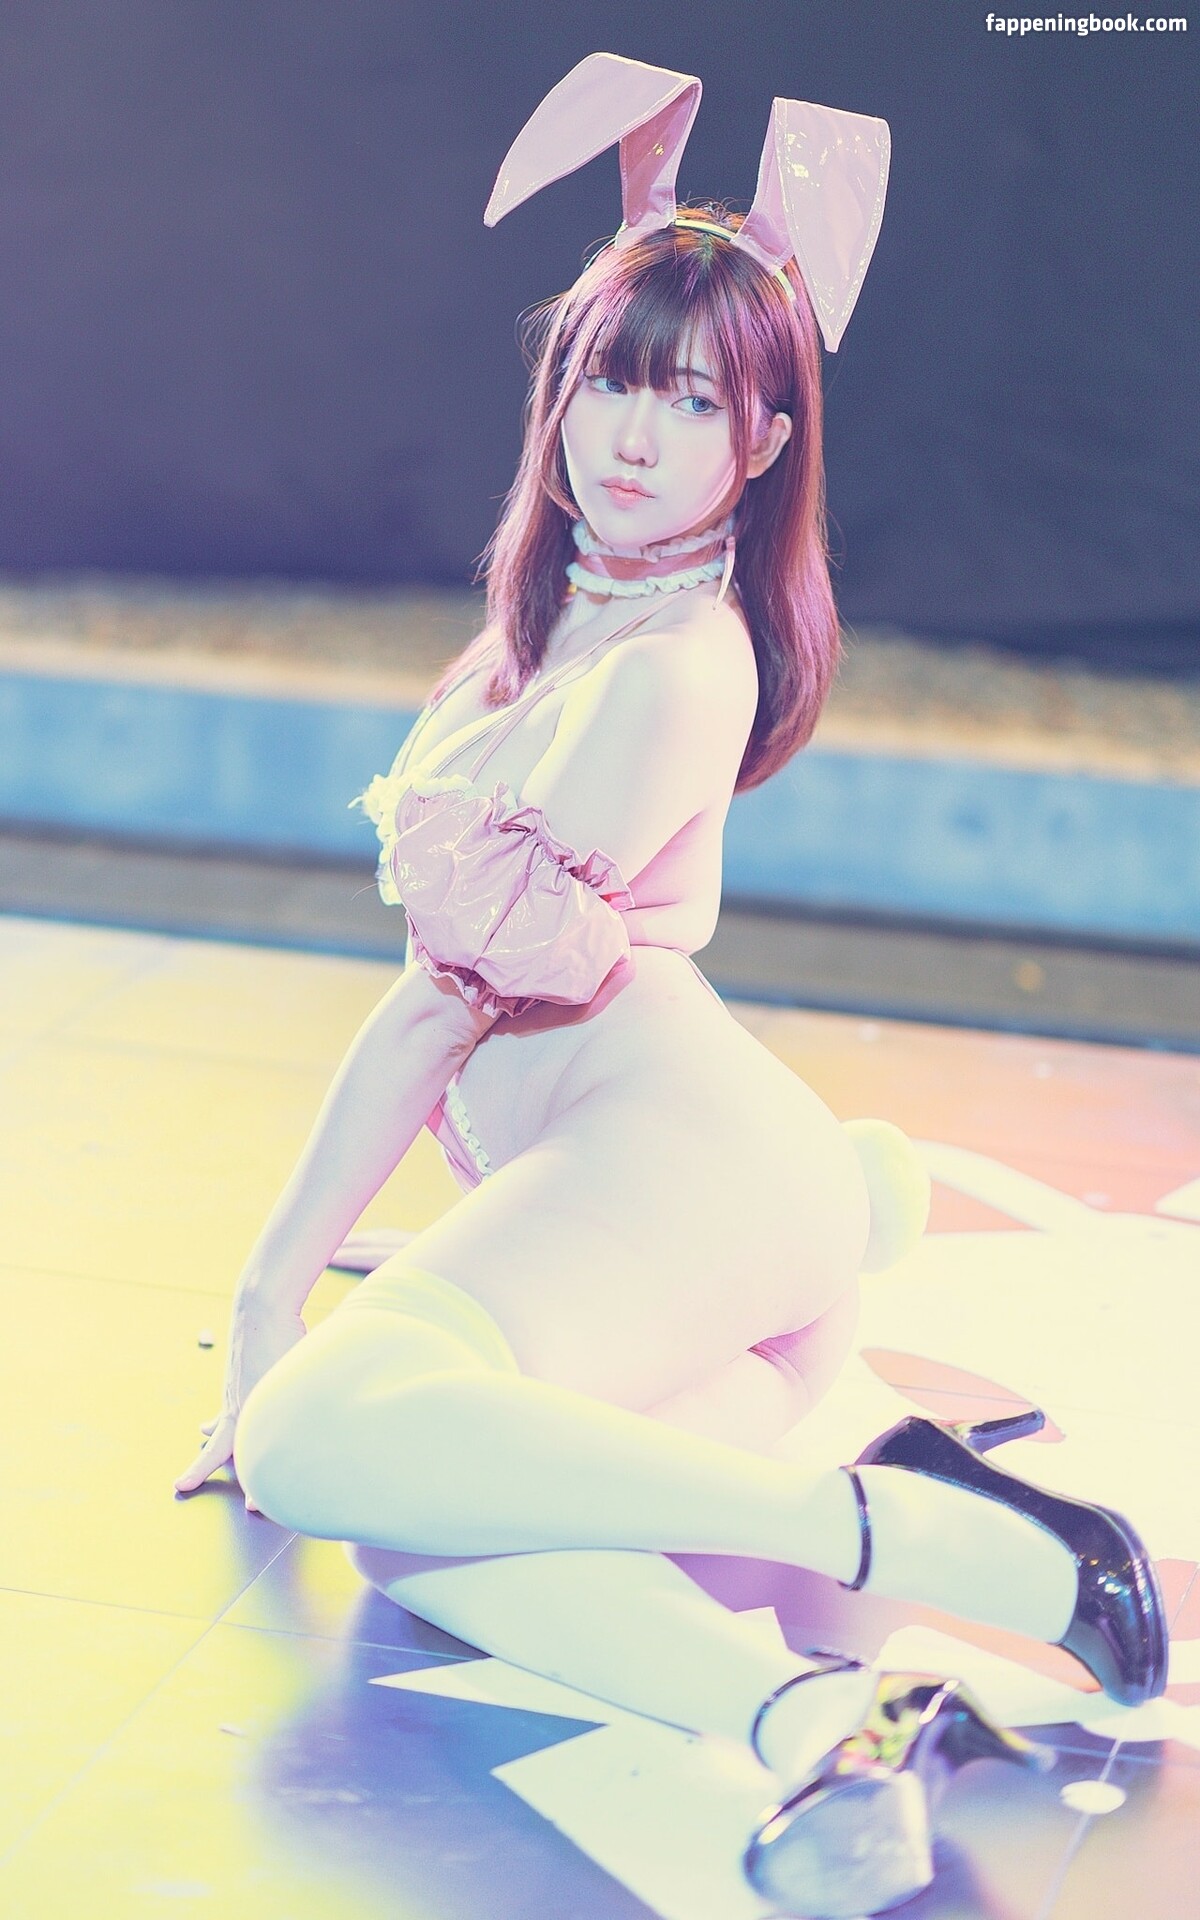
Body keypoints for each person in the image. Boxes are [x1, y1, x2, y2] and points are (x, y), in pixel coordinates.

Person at [173, 55, 1166, 1918]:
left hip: (698, 1183)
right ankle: (824, 1724)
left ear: (765, 442)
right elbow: (459, 1001)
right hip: (677, 1199)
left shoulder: (671, 668)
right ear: (560, 393)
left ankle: (896, 1526)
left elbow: (442, 1005)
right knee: (422, 1522)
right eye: (612, 382)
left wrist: (267, 1300)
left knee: (312, 1437)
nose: (634, 436)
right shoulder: (558, 632)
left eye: (693, 399)